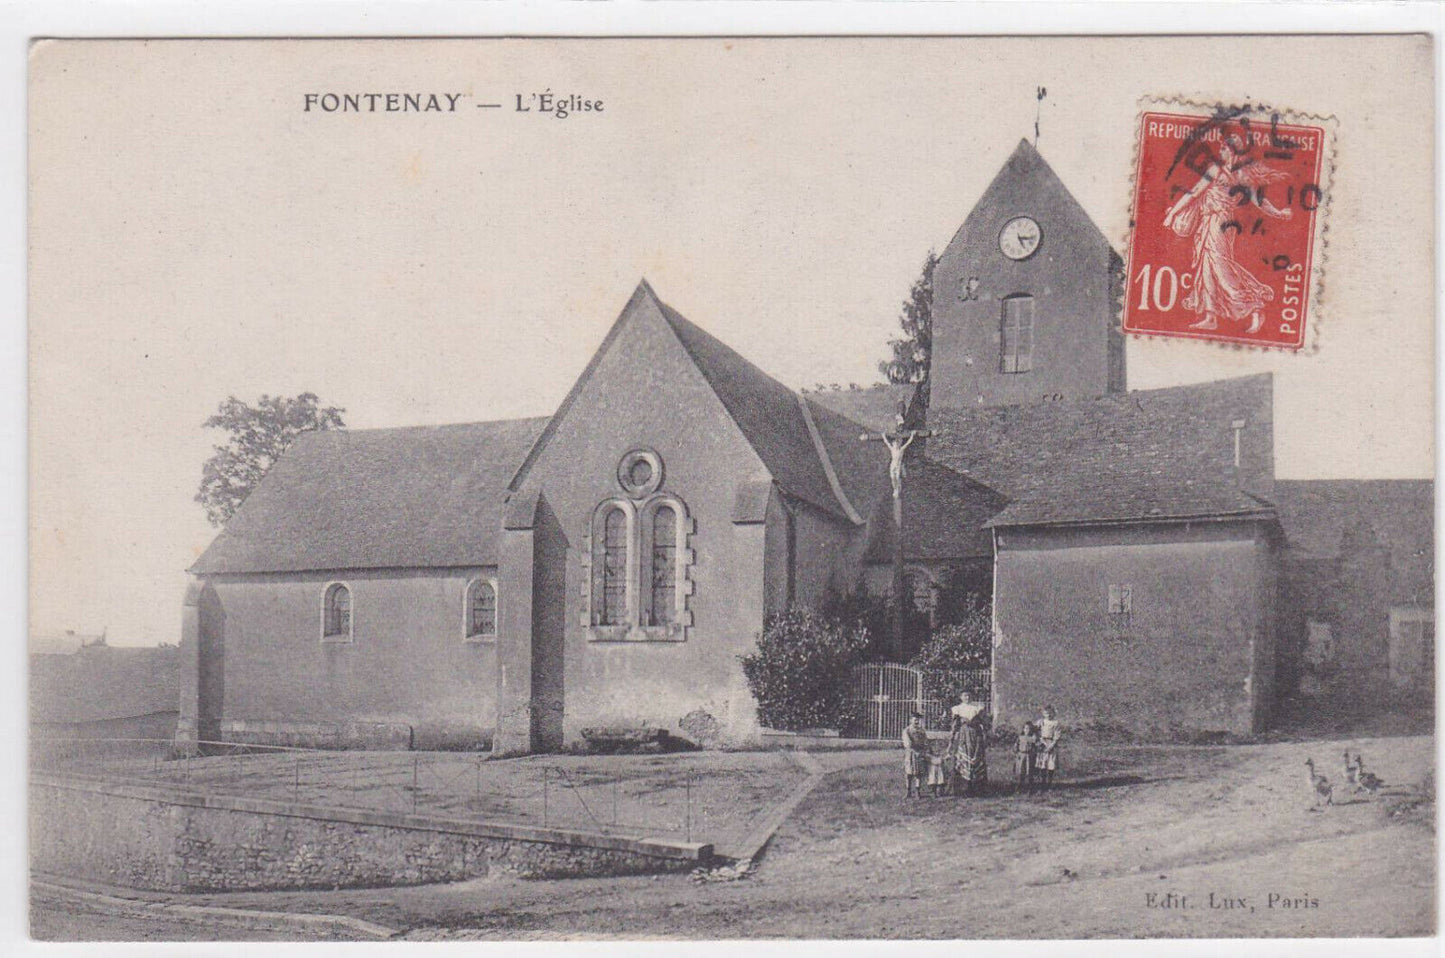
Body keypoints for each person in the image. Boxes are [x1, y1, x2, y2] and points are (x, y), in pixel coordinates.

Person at [1162, 141, 1293, 334]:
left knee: (1220, 265)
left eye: (1224, 148)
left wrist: (1279, 213)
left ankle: (1254, 305)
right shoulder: (1217, 170)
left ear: (1232, 151)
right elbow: (1194, 192)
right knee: (1207, 265)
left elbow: (1259, 201)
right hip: (1208, 221)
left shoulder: (1239, 175)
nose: (1221, 151)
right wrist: (1173, 212)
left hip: (1221, 222)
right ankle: (1210, 316)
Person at [902, 712, 929, 799]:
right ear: (911, 720)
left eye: (918, 720)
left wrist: (923, 749)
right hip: (910, 753)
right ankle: (908, 791)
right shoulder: (907, 731)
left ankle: (917, 791)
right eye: (915, 720)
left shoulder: (921, 731)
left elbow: (925, 742)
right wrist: (915, 748)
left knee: (918, 773)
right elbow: (908, 743)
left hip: (920, 754)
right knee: (908, 773)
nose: (916, 722)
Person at [1036, 705, 1063, 790]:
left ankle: (1049, 783)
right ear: (1043, 714)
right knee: (1043, 764)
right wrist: (1041, 740)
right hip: (1043, 743)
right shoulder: (1041, 722)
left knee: (1051, 764)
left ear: (1053, 713)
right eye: (1046, 713)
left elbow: (1057, 735)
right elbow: (1036, 731)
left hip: (1051, 744)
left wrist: (1052, 745)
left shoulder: (1056, 723)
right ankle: (1043, 783)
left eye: (1050, 713)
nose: (1048, 715)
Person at [1014, 721, 1039, 795]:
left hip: (1029, 756)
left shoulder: (1032, 738)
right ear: (1023, 729)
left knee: (1030, 772)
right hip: (1021, 755)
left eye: (1029, 729)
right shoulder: (1020, 737)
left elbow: (1037, 745)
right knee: (1021, 772)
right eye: (1026, 728)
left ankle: (1030, 789)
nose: (1027, 730)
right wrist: (1017, 753)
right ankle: (1020, 788)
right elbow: (1016, 746)